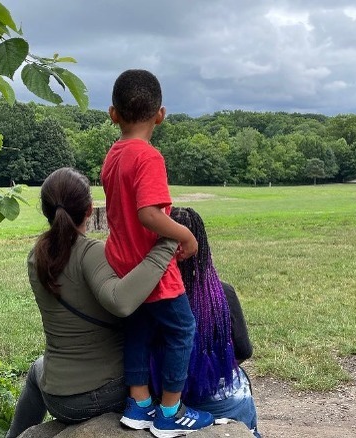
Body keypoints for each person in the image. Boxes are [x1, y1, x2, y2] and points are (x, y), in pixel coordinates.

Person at [5, 167, 179, 438]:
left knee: (37, 368)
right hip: (99, 394)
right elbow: (121, 302)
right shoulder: (90, 252)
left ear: (46, 210)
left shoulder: (35, 256)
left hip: (55, 394)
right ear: (89, 210)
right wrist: (166, 244)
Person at [101, 69, 213, 437]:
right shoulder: (148, 157)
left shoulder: (112, 156)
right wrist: (186, 235)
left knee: (139, 329)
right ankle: (169, 412)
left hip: (124, 268)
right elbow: (148, 215)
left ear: (113, 114)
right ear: (160, 115)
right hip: (154, 269)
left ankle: (139, 403)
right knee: (183, 330)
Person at [164, 207, 262, 438]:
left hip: (173, 402)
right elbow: (244, 350)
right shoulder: (221, 293)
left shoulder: (152, 297)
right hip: (226, 403)